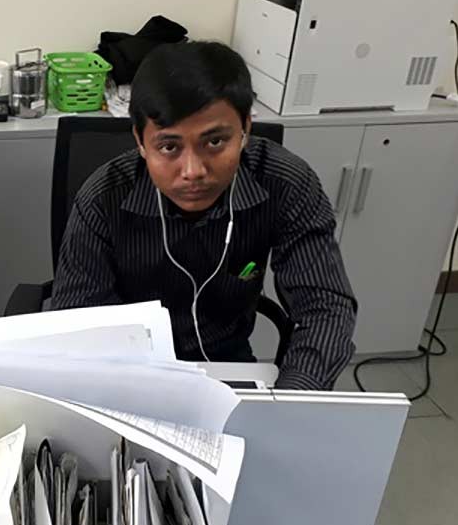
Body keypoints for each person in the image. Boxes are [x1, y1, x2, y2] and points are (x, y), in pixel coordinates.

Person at [51, 41, 357, 390]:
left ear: (245, 127)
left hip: (229, 364)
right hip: (131, 372)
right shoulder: (103, 198)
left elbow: (326, 307)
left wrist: (294, 396)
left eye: (214, 143)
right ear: (140, 140)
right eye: (169, 147)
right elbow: (77, 322)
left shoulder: (285, 183)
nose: (193, 171)